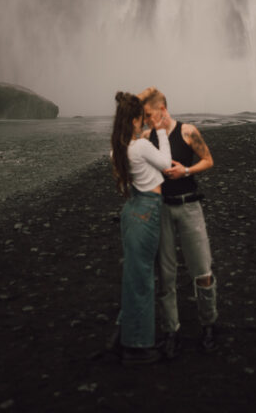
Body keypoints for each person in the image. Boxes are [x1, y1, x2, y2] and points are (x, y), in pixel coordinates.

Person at [139, 87, 219, 357]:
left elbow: (208, 160)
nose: (147, 120)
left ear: (162, 109)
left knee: (202, 271)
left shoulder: (188, 132)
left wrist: (185, 170)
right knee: (166, 276)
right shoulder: (147, 137)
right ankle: (171, 331)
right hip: (162, 210)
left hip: (189, 206)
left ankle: (208, 324)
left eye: (149, 115)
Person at [110, 90, 173, 365]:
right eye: (142, 119)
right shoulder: (141, 147)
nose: (145, 122)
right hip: (147, 211)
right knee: (143, 280)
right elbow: (166, 163)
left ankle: (124, 336)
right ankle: (138, 346)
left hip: (132, 210)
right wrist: (159, 131)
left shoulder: (118, 148)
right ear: (136, 120)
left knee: (134, 277)